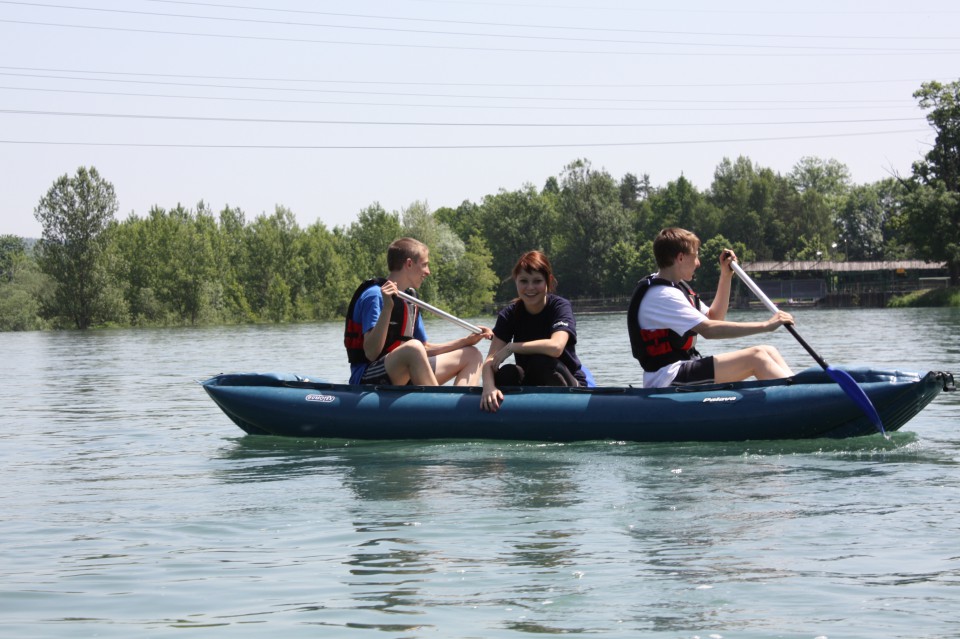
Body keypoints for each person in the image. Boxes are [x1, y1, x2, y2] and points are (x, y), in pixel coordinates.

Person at [627, 227, 795, 388]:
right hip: (667, 378)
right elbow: (709, 330)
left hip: (683, 369)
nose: (698, 263)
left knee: (768, 350)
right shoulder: (663, 295)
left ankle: (802, 391)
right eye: (695, 257)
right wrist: (766, 325)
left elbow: (714, 318)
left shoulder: (677, 288)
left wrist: (726, 275)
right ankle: (798, 400)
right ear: (680, 258)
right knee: (757, 357)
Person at [344, 237, 491, 386]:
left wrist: (466, 341)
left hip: (405, 371)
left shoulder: (410, 298)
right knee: (413, 347)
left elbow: (424, 348)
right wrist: (388, 308)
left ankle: (459, 407)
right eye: (425, 265)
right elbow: (371, 353)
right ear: (409, 264)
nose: (428, 272)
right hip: (367, 376)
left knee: (472, 354)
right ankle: (440, 405)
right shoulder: (374, 296)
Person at [480, 250, 587, 412]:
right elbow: (490, 360)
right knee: (507, 373)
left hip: (567, 381)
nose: (530, 288)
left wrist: (512, 347)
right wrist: (488, 388)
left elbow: (556, 347)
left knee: (541, 362)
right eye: (524, 281)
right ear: (516, 281)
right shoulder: (509, 314)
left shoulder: (560, 307)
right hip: (530, 381)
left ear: (548, 281)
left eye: (537, 281)